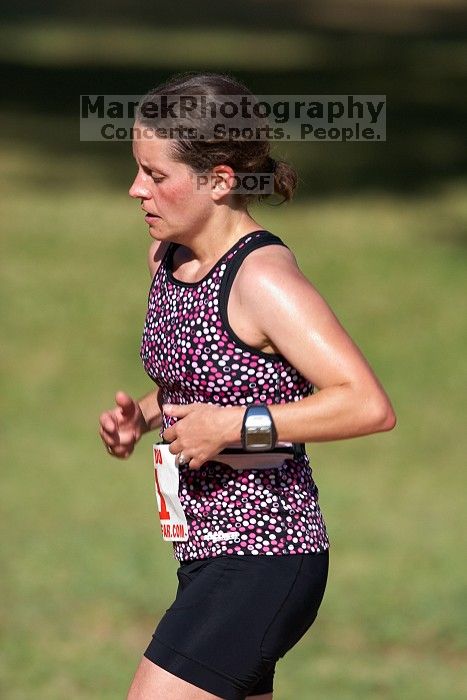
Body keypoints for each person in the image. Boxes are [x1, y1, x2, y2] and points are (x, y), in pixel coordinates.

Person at [98, 72, 396, 700]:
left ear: (221, 180)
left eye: (156, 175)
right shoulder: (168, 257)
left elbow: (366, 403)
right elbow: (207, 375)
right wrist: (146, 415)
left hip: (267, 556)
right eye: (138, 170)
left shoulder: (263, 278)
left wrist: (234, 426)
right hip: (203, 551)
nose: (136, 190)